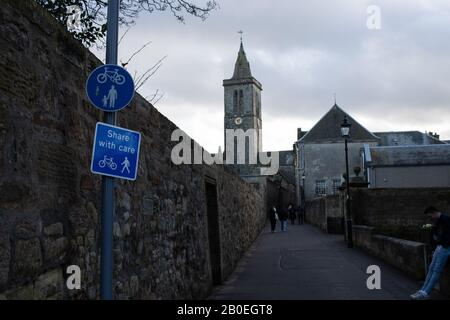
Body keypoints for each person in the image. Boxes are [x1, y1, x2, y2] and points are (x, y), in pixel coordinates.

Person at [410, 206, 450, 300]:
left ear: (434, 212)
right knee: (431, 268)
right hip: (440, 247)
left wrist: (443, 245)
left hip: (445, 248)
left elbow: (447, 235)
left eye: (430, 216)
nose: (430, 218)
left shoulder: (446, 219)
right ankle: (422, 290)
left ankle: (425, 293)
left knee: (436, 270)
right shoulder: (439, 220)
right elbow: (437, 233)